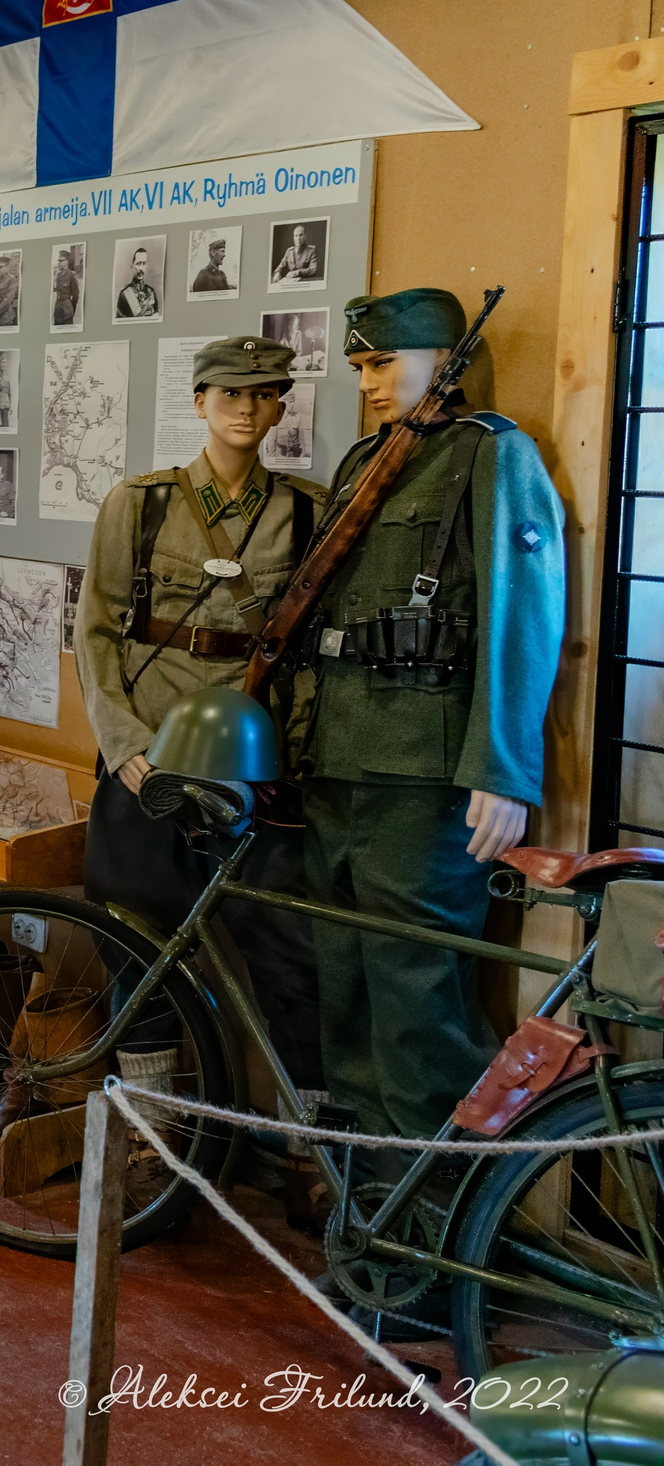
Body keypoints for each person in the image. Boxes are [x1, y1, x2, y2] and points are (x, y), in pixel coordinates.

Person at [301, 288, 564, 1149]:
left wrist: (503, 765)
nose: (369, 382)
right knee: (345, 998)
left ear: (441, 360)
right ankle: (373, 1216)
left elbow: (521, 613)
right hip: (338, 766)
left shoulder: (491, 455)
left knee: (420, 1012)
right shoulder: (362, 463)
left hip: (423, 778)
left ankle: (436, 1233)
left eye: (383, 362)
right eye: (359, 366)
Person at [62, 336, 328, 1126]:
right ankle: (152, 1128)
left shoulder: (307, 513)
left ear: (280, 404)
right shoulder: (139, 505)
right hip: (151, 765)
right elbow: (97, 633)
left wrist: (294, 755)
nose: (247, 410)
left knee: (291, 957)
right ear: (200, 402)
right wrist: (124, 749)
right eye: (230, 394)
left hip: (255, 776)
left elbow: (310, 658)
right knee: (135, 945)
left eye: (263, 394)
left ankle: (309, 1144)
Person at [116, 245, 159, 320]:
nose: (141, 268)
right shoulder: (125, 293)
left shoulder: (151, 291)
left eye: (144, 263)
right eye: (138, 264)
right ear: (132, 267)